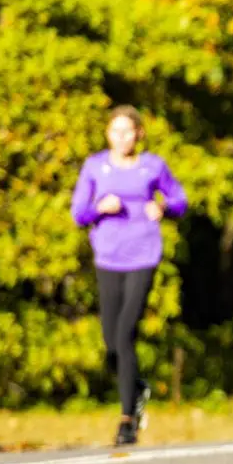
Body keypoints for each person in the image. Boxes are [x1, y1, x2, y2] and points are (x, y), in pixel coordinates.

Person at [69, 106, 188, 446]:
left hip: (144, 255)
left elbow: (180, 199)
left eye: (128, 131)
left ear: (139, 134)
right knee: (111, 343)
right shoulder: (95, 167)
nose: (121, 138)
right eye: (115, 131)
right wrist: (98, 209)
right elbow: (78, 213)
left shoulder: (153, 166)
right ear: (107, 134)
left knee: (125, 334)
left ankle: (126, 421)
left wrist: (164, 207)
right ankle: (136, 387)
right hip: (108, 256)